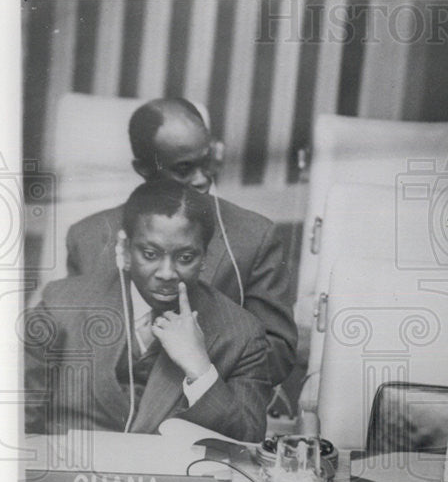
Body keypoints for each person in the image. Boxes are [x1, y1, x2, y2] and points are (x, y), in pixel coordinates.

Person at [64, 97, 297, 387]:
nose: (202, 180)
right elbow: (71, 348)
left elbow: (278, 356)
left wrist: (191, 361)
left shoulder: (255, 237)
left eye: (207, 162)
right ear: (144, 169)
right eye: (184, 168)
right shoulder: (87, 238)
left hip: (200, 416)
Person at [25, 180, 273, 442]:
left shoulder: (242, 334)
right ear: (124, 249)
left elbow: (249, 441)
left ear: (205, 258)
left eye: (186, 258)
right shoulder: (59, 306)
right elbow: (18, 426)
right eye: (150, 254)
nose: (167, 273)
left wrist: (200, 368)